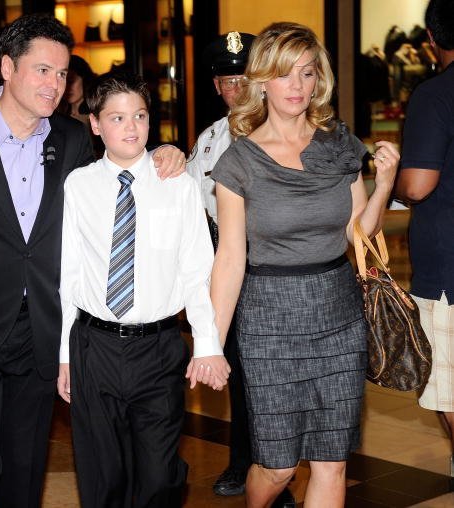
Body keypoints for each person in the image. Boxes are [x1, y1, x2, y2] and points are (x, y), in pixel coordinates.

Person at [0, 14, 185, 507]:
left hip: (38, 335)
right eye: (43, 71)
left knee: (23, 474)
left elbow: (114, 176)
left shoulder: (69, 140)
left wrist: (166, 154)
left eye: (62, 73)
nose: (55, 84)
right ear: (6, 67)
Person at [210, 22, 398, 507]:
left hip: (339, 315)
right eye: (284, 74)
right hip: (270, 320)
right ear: (262, 80)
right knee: (276, 467)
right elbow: (230, 259)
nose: (297, 86)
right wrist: (210, 344)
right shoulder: (240, 164)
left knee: (332, 461)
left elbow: (360, 232)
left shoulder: (339, 145)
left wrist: (385, 182)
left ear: (320, 80)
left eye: (308, 74)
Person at [57, 71, 230, 507]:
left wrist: (207, 344)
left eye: (139, 115)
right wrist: (65, 356)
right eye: (116, 118)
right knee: (103, 477)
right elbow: (68, 276)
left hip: (157, 346)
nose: (131, 127)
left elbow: (196, 270)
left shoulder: (179, 185)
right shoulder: (78, 186)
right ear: (95, 124)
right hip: (93, 346)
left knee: (159, 477)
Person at [188, 31, 281, 502]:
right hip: (226, 268)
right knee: (241, 373)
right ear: (217, 87)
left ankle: (277, 472)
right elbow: (186, 204)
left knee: (276, 379)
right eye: (228, 81)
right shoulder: (208, 141)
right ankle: (246, 462)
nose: (237, 89)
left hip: (275, 269)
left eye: (245, 78)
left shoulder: (285, 131)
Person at [394, 0, 454, 478]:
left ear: (433, 40)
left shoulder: (436, 95)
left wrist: (392, 174)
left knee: (451, 390)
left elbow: (417, 185)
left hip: (448, 270)